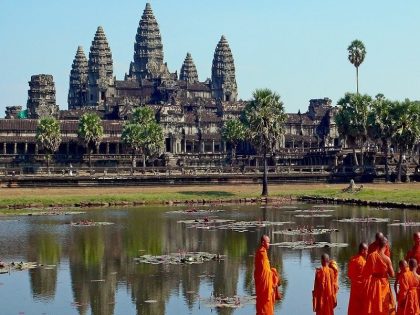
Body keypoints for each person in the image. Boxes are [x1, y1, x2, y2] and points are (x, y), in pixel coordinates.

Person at [363, 237, 396, 314]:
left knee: (375, 305)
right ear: (386, 245)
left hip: (374, 284)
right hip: (384, 283)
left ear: (378, 245)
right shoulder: (387, 259)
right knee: (385, 305)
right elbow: (392, 275)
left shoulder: (371, 256)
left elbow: (366, 273)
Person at [254, 235, 280, 315]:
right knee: (264, 306)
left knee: (263, 306)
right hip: (264, 287)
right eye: (268, 242)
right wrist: (274, 274)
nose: (269, 244)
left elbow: (264, 270)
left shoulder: (262, 252)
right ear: (263, 242)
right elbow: (264, 272)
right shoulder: (262, 253)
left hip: (264, 285)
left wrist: (272, 272)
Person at [348, 242, 368, 315]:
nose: (367, 253)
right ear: (363, 251)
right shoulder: (363, 262)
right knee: (362, 309)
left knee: (354, 308)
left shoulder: (352, 259)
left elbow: (349, 275)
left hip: (354, 289)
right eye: (366, 250)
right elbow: (367, 276)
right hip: (363, 289)